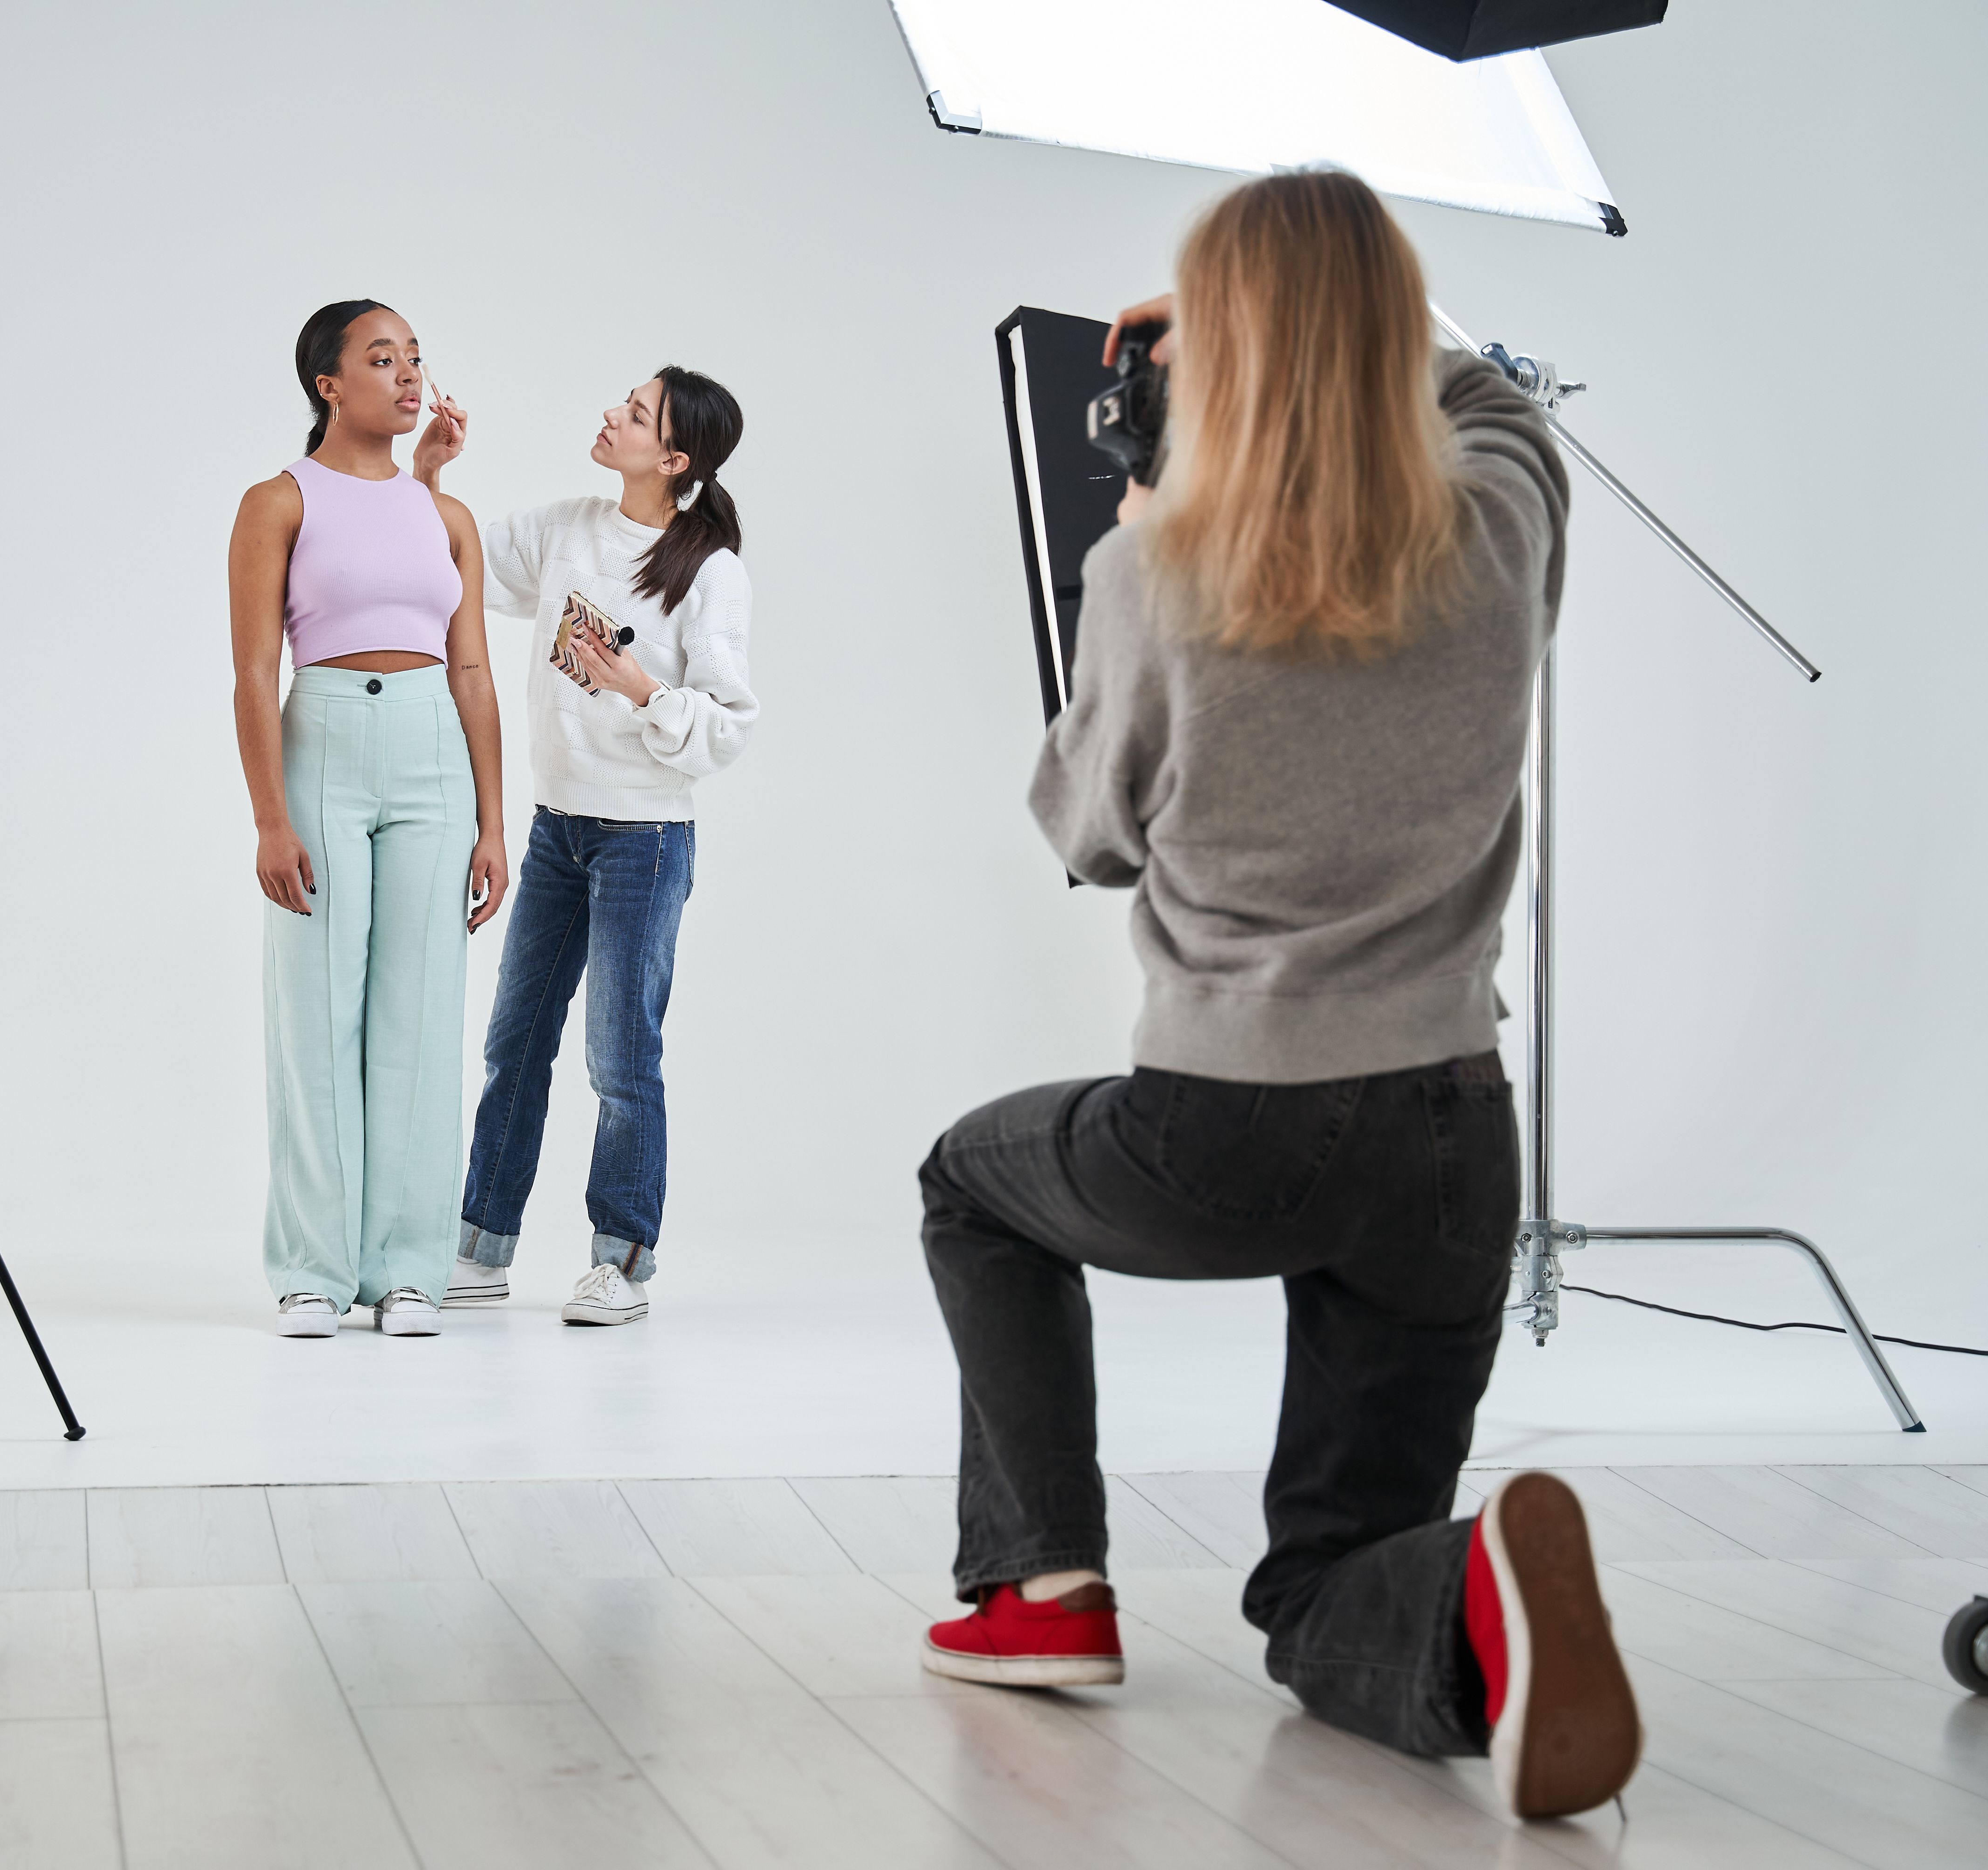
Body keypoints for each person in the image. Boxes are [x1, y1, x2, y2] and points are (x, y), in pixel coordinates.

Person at [912, 170, 1642, 1823]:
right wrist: (1353, 325)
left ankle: (1039, 1591)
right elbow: (1494, 398)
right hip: (1454, 1131)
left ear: (1215, 352)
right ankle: (1463, 1594)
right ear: (1395, 336)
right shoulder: (1502, 518)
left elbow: (1087, 835)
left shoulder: (1153, 568)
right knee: (1329, 1581)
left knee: (974, 1185)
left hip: (1224, 1127)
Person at [411, 367, 754, 1327]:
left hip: (646, 840)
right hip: (558, 828)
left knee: (620, 1055)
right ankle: (481, 1245)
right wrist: (432, 475)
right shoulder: (569, 527)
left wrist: (643, 689)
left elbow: (730, 724)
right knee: (513, 1042)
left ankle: (623, 1260)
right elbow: (454, 560)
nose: (613, 414)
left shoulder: (709, 571)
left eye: (636, 414)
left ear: (674, 459)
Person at [228, 301, 508, 1338]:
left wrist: (494, 819)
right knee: (316, 1011)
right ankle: (312, 1264)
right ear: (328, 386)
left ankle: (408, 1270)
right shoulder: (277, 501)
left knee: (420, 1018)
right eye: (381, 358)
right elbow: (256, 671)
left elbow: (473, 669)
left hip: (435, 751)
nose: (408, 375)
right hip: (324, 749)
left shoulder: (446, 515)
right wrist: (269, 817)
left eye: (417, 358)